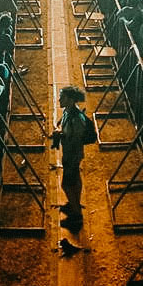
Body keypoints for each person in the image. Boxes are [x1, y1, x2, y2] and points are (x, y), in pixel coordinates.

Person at [52, 85, 91, 225]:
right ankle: (75, 203)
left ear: (70, 99)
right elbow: (61, 123)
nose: (59, 99)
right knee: (75, 180)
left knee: (66, 185)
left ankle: (76, 214)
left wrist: (60, 134)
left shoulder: (76, 118)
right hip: (69, 153)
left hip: (73, 155)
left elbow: (76, 139)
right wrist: (59, 129)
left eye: (62, 97)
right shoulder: (68, 111)